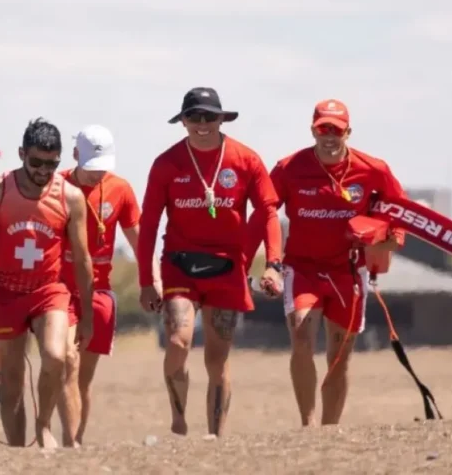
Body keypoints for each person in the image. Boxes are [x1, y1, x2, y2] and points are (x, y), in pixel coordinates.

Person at [245, 99, 407, 427]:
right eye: (323, 129)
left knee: (339, 355)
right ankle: (308, 425)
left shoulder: (373, 169)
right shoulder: (289, 168)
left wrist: (389, 240)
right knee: (302, 337)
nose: (329, 136)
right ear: (312, 131)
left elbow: (400, 212)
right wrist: (249, 262)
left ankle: (329, 429)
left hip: (348, 271)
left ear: (348, 132)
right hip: (302, 269)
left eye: (336, 130)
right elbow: (264, 214)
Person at [137, 87, 283, 437]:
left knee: (217, 359)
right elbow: (149, 224)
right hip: (179, 265)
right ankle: (178, 418)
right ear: (183, 121)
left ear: (221, 119)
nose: (202, 123)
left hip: (227, 267)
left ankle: (215, 435)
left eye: (209, 116)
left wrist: (273, 264)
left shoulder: (245, 160)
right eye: (194, 117)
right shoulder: (167, 163)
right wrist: (146, 281)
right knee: (178, 341)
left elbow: (268, 212)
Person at [0, 117, 94, 450]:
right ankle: (18, 454)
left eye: (52, 164)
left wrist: (88, 316)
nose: (43, 171)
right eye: (36, 162)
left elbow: (82, 260)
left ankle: (43, 425)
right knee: (12, 380)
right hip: (5, 294)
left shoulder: (71, 197)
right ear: (22, 154)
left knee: (56, 356)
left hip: (48, 291)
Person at [56, 125, 160, 447]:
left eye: (101, 167)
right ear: (75, 155)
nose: (96, 174)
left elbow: (140, 242)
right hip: (61, 291)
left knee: (82, 379)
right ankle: (65, 440)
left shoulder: (120, 189)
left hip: (99, 293)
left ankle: (75, 443)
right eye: (90, 167)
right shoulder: (56, 186)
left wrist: (153, 280)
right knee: (66, 362)